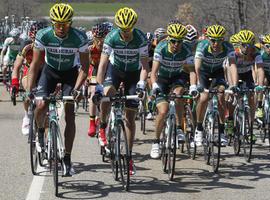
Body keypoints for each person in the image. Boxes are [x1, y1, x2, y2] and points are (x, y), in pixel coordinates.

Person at [27, 3, 89, 176]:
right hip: (50, 72)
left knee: (70, 114)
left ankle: (67, 158)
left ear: (71, 22)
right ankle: (40, 131)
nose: (61, 28)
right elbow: (36, 64)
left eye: (65, 24)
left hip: (70, 74)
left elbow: (85, 67)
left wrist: (77, 89)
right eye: (58, 24)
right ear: (53, 23)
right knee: (40, 105)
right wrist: (31, 89)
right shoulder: (43, 35)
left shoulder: (80, 37)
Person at [94, 7, 149, 175]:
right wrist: (98, 86)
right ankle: (103, 125)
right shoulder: (111, 37)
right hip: (115, 70)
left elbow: (145, 66)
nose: (125, 33)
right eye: (122, 30)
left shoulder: (140, 39)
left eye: (128, 30)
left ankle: (129, 156)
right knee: (107, 94)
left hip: (133, 73)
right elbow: (102, 65)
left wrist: (141, 83)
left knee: (130, 117)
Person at [150, 22, 197, 159]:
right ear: (169, 39)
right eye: (174, 41)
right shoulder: (161, 48)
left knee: (178, 96)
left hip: (177, 77)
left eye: (180, 41)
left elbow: (192, 71)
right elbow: (153, 73)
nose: (176, 44)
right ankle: (156, 142)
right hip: (162, 79)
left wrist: (193, 86)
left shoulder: (186, 50)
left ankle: (178, 128)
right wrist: (154, 86)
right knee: (163, 111)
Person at [194, 24, 238, 147]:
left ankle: (222, 132)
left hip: (217, 72)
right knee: (203, 98)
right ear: (208, 39)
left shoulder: (228, 47)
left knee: (221, 95)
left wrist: (233, 85)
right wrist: (198, 83)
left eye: (218, 40)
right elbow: (197, 66)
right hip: (203, 72)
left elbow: (233, 65)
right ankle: (198, 129)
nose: (215, 43)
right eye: (213, 40)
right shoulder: (202, 46)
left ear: (223, 39)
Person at [11, 22, 46, 135]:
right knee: (28, 91)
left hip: (45, 71)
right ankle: (27, 115)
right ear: (31, 36)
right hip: (29, 70)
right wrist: (15, 83)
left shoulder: (50, 45)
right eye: (35, 37)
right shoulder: (26, 45)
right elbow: (17, 66)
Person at [87, 23, 108, 137]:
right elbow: (85, 64)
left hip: (107, 69)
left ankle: (102, 119)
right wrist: (86, 78)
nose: (100, 42)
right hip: (94, 69)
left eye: (102, 39)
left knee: (108, 97)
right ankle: (91, 123)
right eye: (97, 39)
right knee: (93, 92)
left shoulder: (109, 46)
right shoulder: (90, 47)